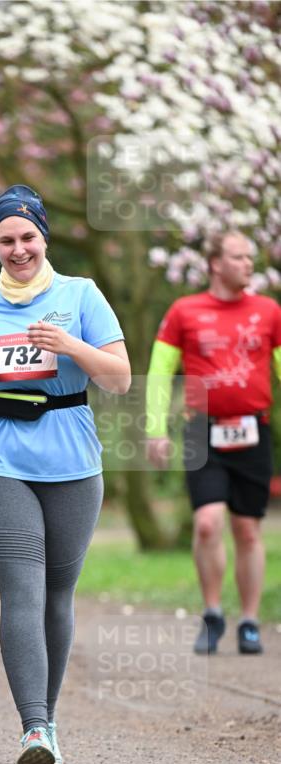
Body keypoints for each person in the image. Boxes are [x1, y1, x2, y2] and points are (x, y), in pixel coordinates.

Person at [0, 184, 130, 764]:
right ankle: (34, 725)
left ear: (44, 236)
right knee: (21, 591)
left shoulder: (82, 295)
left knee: (57, 593)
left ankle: (45, 726)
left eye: (27, 237)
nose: (18, 249)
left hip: (72, 458)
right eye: (6, 239)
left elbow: (120, 377)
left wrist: (69, 343)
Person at [146, 231, 281, 656]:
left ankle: (249, 621)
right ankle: (212, 613)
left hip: (253, 429)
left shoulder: (269, 311)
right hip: (201, 430)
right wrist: (155, 428)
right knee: (207, 523)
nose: (248, 265)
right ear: (215, 264)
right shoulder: (184, 311)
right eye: (238, 257)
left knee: (246, 528)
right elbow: (160, 371)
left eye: (250, 257)